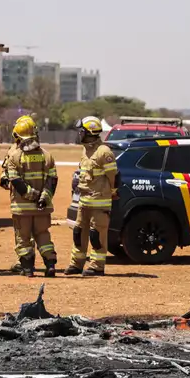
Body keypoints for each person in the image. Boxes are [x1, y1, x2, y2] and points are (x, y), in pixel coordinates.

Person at [3, 115, 59, 277]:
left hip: (22, 208)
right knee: (43, 236)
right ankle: (50, 265)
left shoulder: (14, 157)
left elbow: (15, 181)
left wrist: (31, 195)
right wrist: (43, 197)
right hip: (43, 207)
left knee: (24, 239)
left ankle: (28, 269)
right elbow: (52, 179)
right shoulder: (47, 155)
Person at [66, 116, 120, 277]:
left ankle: (97, 266)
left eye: (81, 131)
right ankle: (76, 264)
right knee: (78, 233)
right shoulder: (86, 150)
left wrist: (112, 193)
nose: (79, 134)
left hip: (99, 202)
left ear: (88, 133)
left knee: (96, 235)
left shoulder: (104, 152)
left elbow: (114, 177)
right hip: (84, 201)